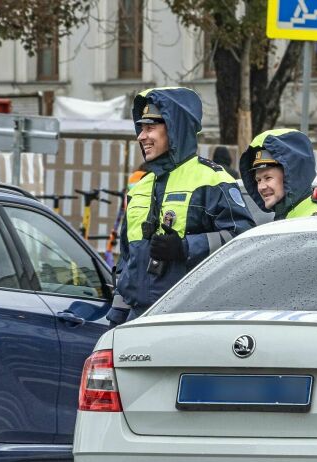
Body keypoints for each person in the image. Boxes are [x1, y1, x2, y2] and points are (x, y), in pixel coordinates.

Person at [106, 87, 255, 325]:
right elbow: (126, 261)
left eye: (150, 128)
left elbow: (245, 241)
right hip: (136, 321)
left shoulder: (213, 180)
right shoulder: (141, 187)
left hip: (188, 320)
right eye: (141, 128)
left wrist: (185, 248)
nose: (141, 137)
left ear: (174, 129)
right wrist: (116, 320)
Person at [239, 128, 317, 220]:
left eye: (268, 178)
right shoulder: (286, 215)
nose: (261, 187)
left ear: (290, 176)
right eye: (258, 180)